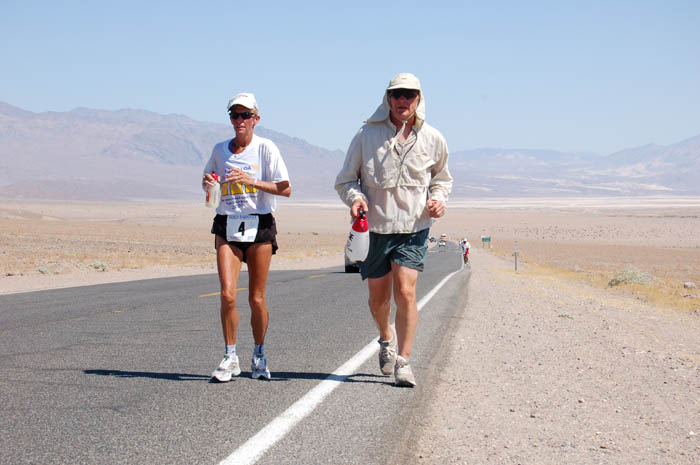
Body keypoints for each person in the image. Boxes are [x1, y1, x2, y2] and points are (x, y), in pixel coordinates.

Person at [335, 73, 453, 387]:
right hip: (375, 229)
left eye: (409, 95)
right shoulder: (366, 135)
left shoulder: (433, 138)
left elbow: (442, 179)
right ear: (388, 98)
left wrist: (438, 200)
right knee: (379, 300)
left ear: (419, 98)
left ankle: (404, 361)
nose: (402, 100)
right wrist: (356, 198)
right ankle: (386, 336)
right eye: (397, 94)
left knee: (406, 291)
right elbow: (345, 180)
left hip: (413, 227)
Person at [202, 93, 291, 382]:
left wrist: (250, 180)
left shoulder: (266, 148)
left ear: (256, 119)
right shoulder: (219, 150)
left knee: (256, 297)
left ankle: (259, 353)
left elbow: (285, 188)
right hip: (227, 223)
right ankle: (230, 356)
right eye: (235, 115)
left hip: (259, 224)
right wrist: (208, 183)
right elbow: (209, 182)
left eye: (245, 115)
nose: (239, 120)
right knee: (228, 294)